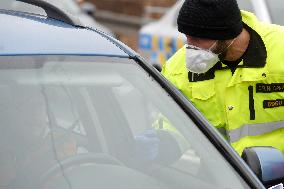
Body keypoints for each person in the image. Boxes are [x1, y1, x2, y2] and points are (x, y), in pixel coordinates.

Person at [162, 0, 284, 155]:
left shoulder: (280, 49)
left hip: (276, 172)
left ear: (226, 35)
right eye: (187, 37)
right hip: (222, 173)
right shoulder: (177, 70)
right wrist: (164, 142)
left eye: (198, 39)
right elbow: (176, 124)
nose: (190, 47)